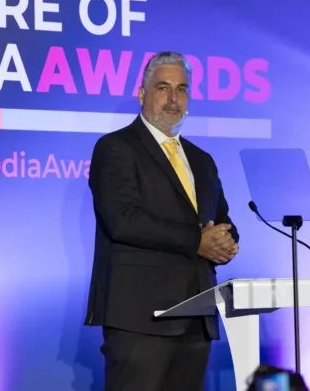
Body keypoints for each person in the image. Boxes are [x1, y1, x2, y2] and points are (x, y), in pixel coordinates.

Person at [84, 51, 240, 391]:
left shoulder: (201, 160)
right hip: (140, 320)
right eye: (163, 88)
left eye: (182, 89)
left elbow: (221, 219)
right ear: (142, 94)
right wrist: (197, 241)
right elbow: (123, 220)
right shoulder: (116, 148)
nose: (173, 98)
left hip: (196, 319)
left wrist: (227, 242)